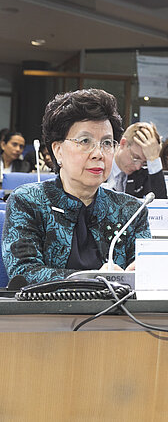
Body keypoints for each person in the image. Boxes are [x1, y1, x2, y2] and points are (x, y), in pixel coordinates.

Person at [2, 89, 151, 284]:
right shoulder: (28, 202)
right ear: (58, 151)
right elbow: (24, 273)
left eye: (106, 143)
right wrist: (95, 279)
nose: (98, 153)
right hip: (47, 314)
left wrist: (143, 274)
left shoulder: (131, 211)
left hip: (117, 314)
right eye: (85, 141)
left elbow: (149, 276)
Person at [103, 122, 167, 199]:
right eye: (135, 157)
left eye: (144, 162)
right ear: (123, 143)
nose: (137, 167)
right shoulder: (101, 162)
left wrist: (153, 159)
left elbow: (161, 205)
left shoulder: (142, 173)